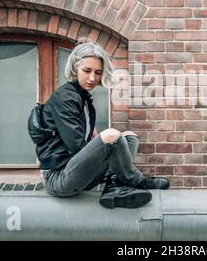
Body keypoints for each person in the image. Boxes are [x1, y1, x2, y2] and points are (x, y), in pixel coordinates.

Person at [36, 40, 170, 209]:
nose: (93, 78)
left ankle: (115, 186)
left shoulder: (83, 99)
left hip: (76, 171)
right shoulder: (65, 98)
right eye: (87, 71)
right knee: (111, 136)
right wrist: (108, 152)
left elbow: (92, 136)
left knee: (129, 137)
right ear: (75, 69)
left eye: (98, 72)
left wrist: (110, 151)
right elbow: (77, 146)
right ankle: (135, 181)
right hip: (60, 177)